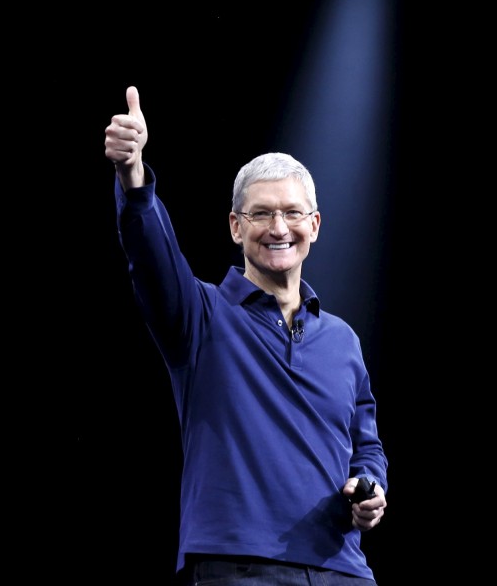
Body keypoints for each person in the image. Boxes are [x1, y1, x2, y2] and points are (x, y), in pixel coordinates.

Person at [104, 85, 388, 585]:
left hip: (343, 570)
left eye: (293, 212)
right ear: (236, 227)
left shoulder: (343, 341)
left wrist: (372, 488)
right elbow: (151, 257)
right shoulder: (201, 316)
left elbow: (367, 446)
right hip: (239, 565)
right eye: (261, 213)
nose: (278, 227)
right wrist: (132, 177)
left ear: (315, 225)